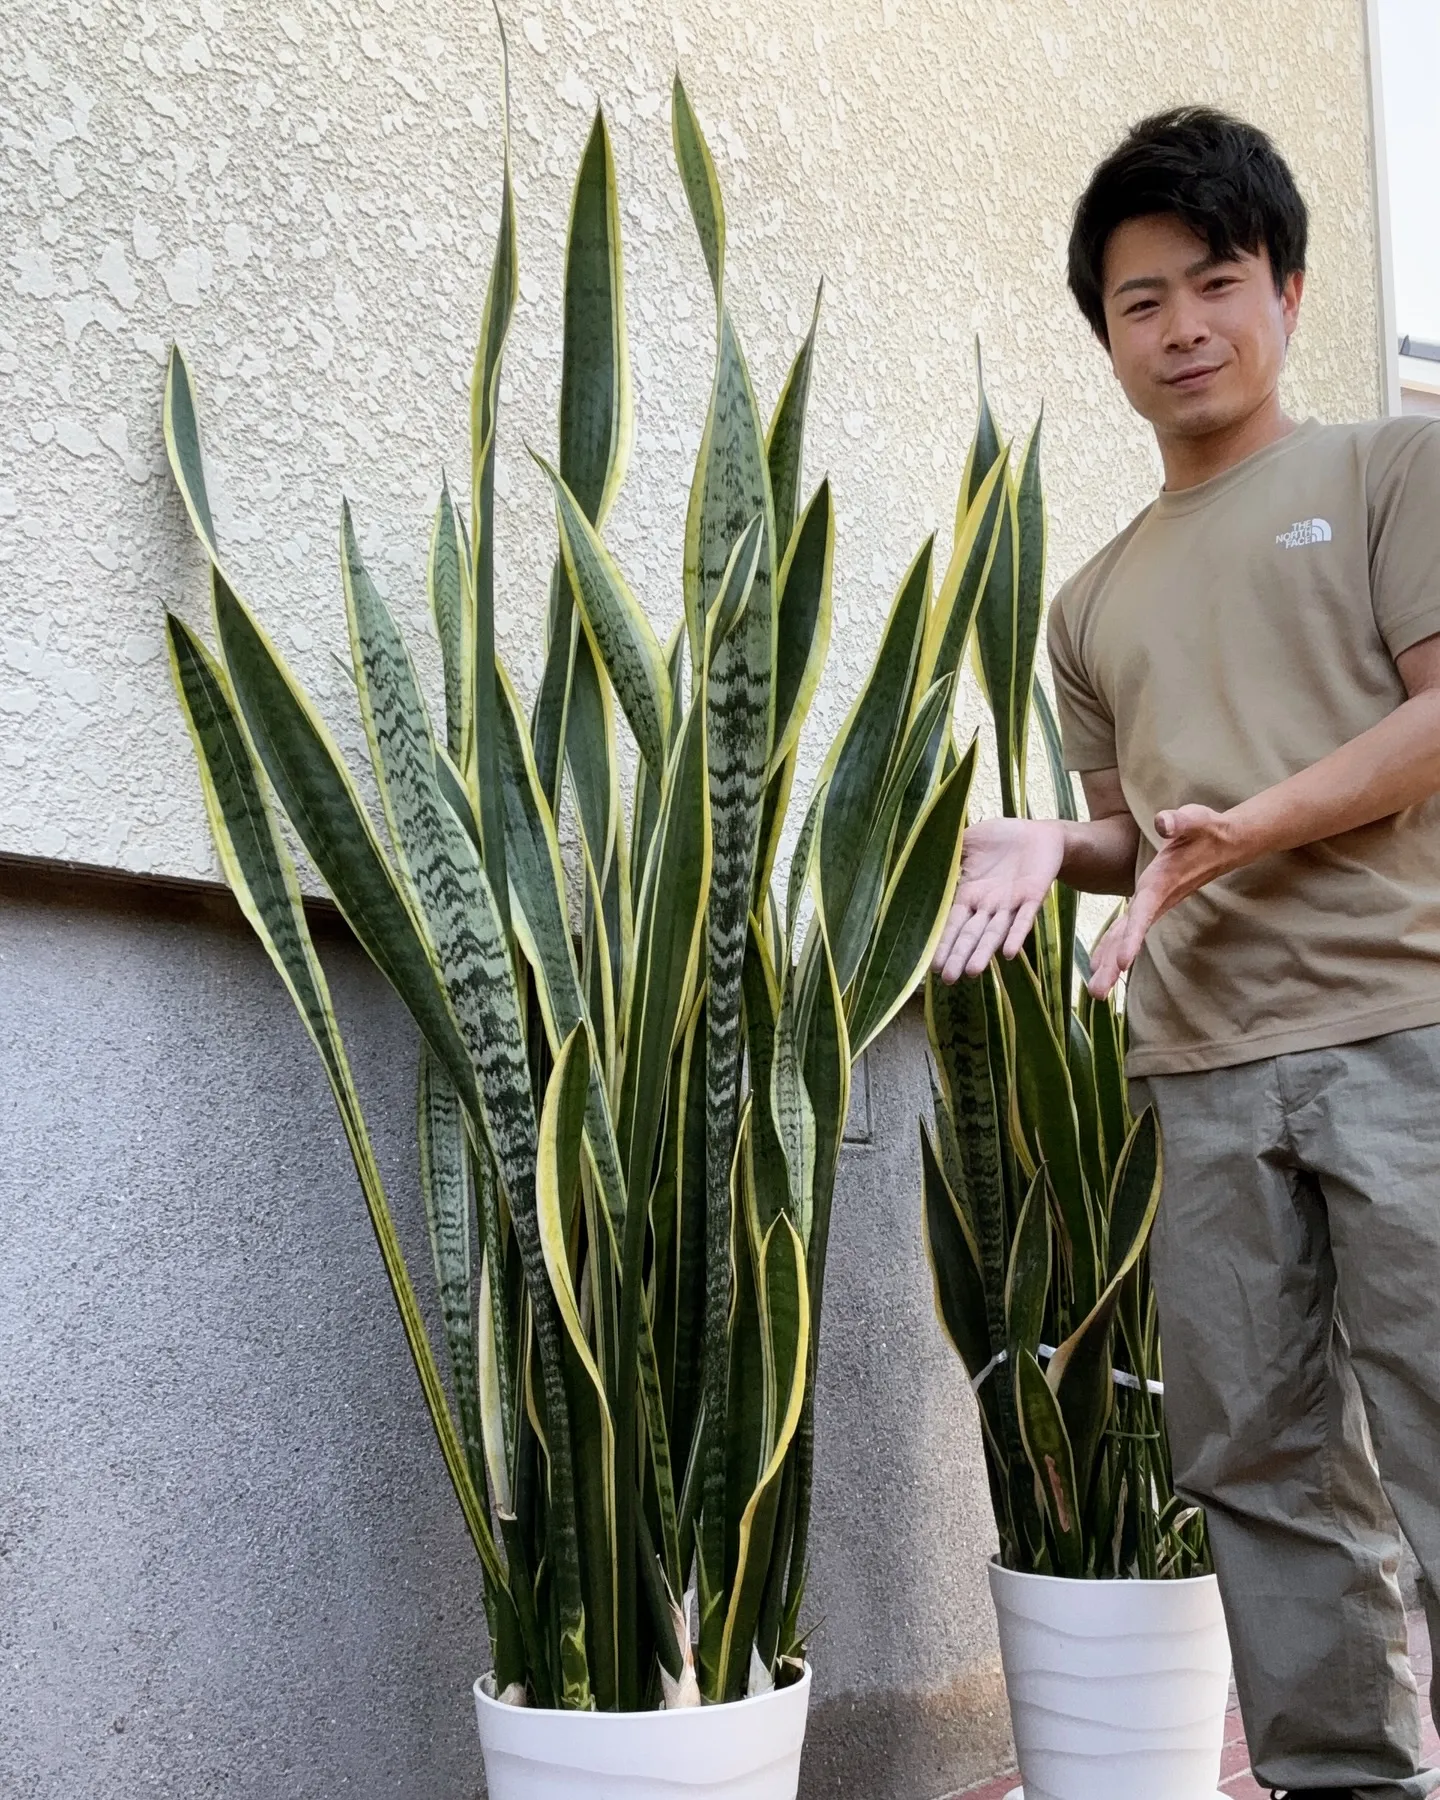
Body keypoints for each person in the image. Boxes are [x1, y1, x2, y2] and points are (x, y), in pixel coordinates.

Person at [931, 107, 1440, 1800]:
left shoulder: (1385, 473)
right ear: (1107, 336)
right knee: (1260, 1460)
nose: (1182, 328)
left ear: (1287, 289)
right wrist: (1047, 844)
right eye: (1139, 302)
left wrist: (1254, 821)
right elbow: (1142, 832)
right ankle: (1344, 1782)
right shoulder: (1090, 600)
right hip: (1202, 1063)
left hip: (1401, 1029)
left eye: (1215, 282)